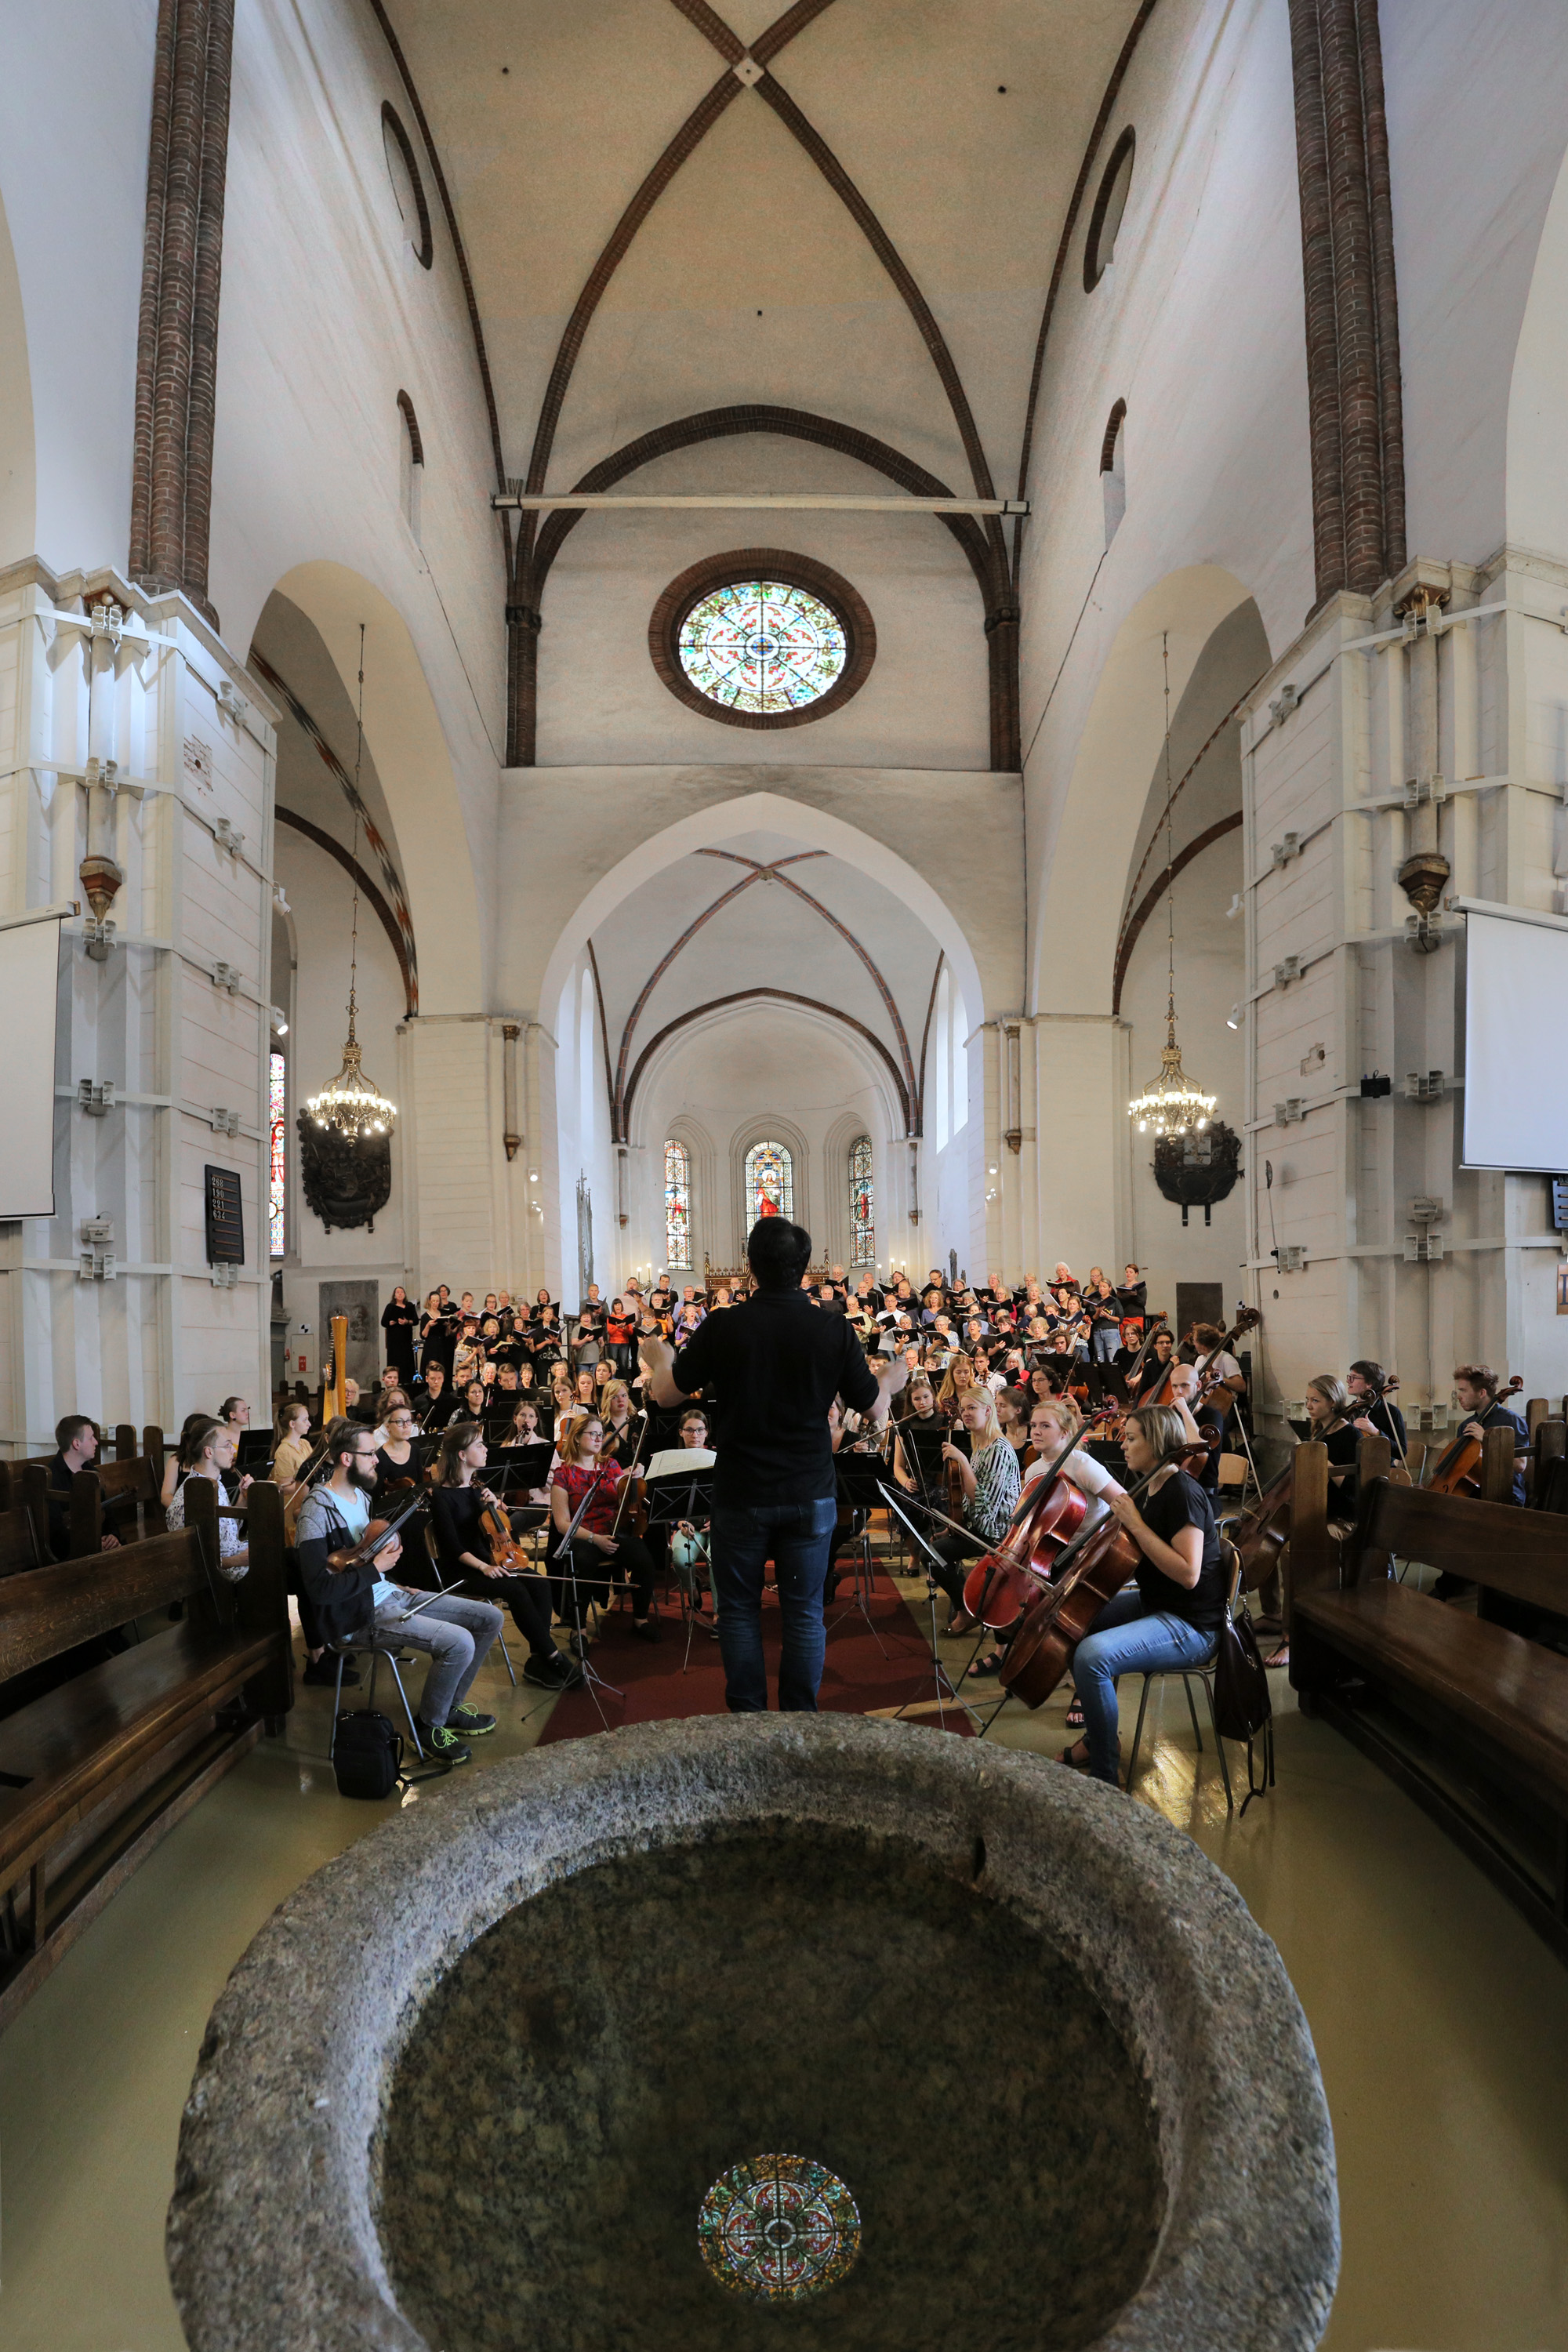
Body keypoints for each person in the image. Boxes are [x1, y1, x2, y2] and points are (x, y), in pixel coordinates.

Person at [639, 1214, 908, 1711]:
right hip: (808, 1490)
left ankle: (750, 1722)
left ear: (750, 1267)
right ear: (804, 1269)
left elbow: (666, 1395)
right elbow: (875, 1410)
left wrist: (659, 1359)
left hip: (741, 1491)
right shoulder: (832, 1327)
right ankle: (799, 1722)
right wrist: (890, 1382)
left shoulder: (725, 1324)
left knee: (740, 1613)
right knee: (803, 1614)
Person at [294, 1420, 502, 1765]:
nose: (377, 1460)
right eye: (370, 1454)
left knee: (490, 1617)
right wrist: (376, 1569)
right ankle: (428, 1726)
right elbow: (318, 1588)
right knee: (459, 1642)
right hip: (357, 1615)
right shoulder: (316, 1511)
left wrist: (392, 1579)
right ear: (346, 1459)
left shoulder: (361, 1497)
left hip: (388, 1594)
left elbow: (363, 1556)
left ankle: (448, 1707)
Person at [1059, 1403, 1229, 1786]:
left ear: (1158, 1442)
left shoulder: (1182, 1492)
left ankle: (1105, 1775)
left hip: (1192, 1624)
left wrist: (1135, 1524)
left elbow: (1188, 1574)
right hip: (1158, 1604)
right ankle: (1100, 1741)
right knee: (1074, 1623)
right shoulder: (1149, 1486)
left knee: (1092, 1657)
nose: (1123, 1445)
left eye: (1132, 1438)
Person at [428, 1421, 581, 1691]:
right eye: (479, 1445)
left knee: (540, 1584)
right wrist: (484, 1567)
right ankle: (554, 1657)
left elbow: (493, 1529)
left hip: (492, 1559)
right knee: (516, 1590)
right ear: (462, 1454)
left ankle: (537, 1660)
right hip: (464, 1568)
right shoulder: (441, 1496)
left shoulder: (477, 1488)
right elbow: (453, 1548)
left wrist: (493, 1505)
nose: (486, 1449)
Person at [548, 1412, 659, 1643]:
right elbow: (562, 1524)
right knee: (583, 1564)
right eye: (593, 1434)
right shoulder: (563, 1474)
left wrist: (634, 1477)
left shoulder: (610, 1465)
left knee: (645, 1561)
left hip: (613, 1530)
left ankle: (640, 1619)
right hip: (583, 1536)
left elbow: (623, 1493)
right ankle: (579, 1629)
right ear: (577, 1438)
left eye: (601, 1434)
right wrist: (595, 1539)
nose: (600, 1439)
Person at [930, 1388, 1022, 1635]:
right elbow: (970, 1501)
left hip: (996, 1532)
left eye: (972, 1408)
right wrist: (953, 1526)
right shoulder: (981, 1445)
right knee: (929, 1546)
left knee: (934, 1555)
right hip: (978, 1525)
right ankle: (970, 1603)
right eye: (963, 1409)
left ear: (988, 1411)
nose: (965, 1413)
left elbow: (984, 1504)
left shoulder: (999, 1449)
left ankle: (967, 1611)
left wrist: (961, 1460)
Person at [166, 1417, 251, 1579]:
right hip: (222, 1578)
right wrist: (240, 1559)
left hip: (238, 1560)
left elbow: (228, 1531)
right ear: (209, 1452)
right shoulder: (190, 1498)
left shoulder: (214, 1482)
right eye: (227, 1445)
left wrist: (243, 1498)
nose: (233, 1451)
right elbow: (193, 1562)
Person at [42, 1416, 123, 1560]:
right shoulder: (52, 1478)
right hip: (69, 1556)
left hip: (98, 1548)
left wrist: (113, 1536)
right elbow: (55, 1530)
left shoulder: (91, 1472)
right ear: (77, 1444)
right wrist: (92, 1544)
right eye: (91, 1438)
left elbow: (107, 1513)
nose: (96, 1442)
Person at [380, 1285, 419, 1385]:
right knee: (395, 1361)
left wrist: (407, 1322)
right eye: (398, 1292)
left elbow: (415, 1321)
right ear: (394, 1295)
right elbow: (383, 1322)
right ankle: (394, 1382)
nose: (400, 1294)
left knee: (407, 1361)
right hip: (394, 1339)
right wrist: (390, 1323)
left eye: (402, 1292)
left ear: (405, 1294)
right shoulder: (390, 1307)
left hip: (406, 1338)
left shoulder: (410, 1306)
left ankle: (408, 1382)